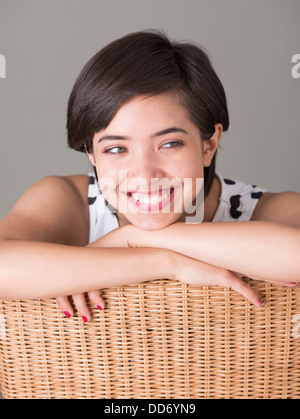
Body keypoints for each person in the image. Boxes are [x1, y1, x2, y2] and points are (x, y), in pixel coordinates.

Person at [0, 31, 299, 323]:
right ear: (91, 153)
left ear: (208, 144)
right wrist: (163, 261)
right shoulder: (70, 201)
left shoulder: (259, 209)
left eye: (169, 144)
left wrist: (134, 237)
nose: (145, 174)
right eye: (117, 149)